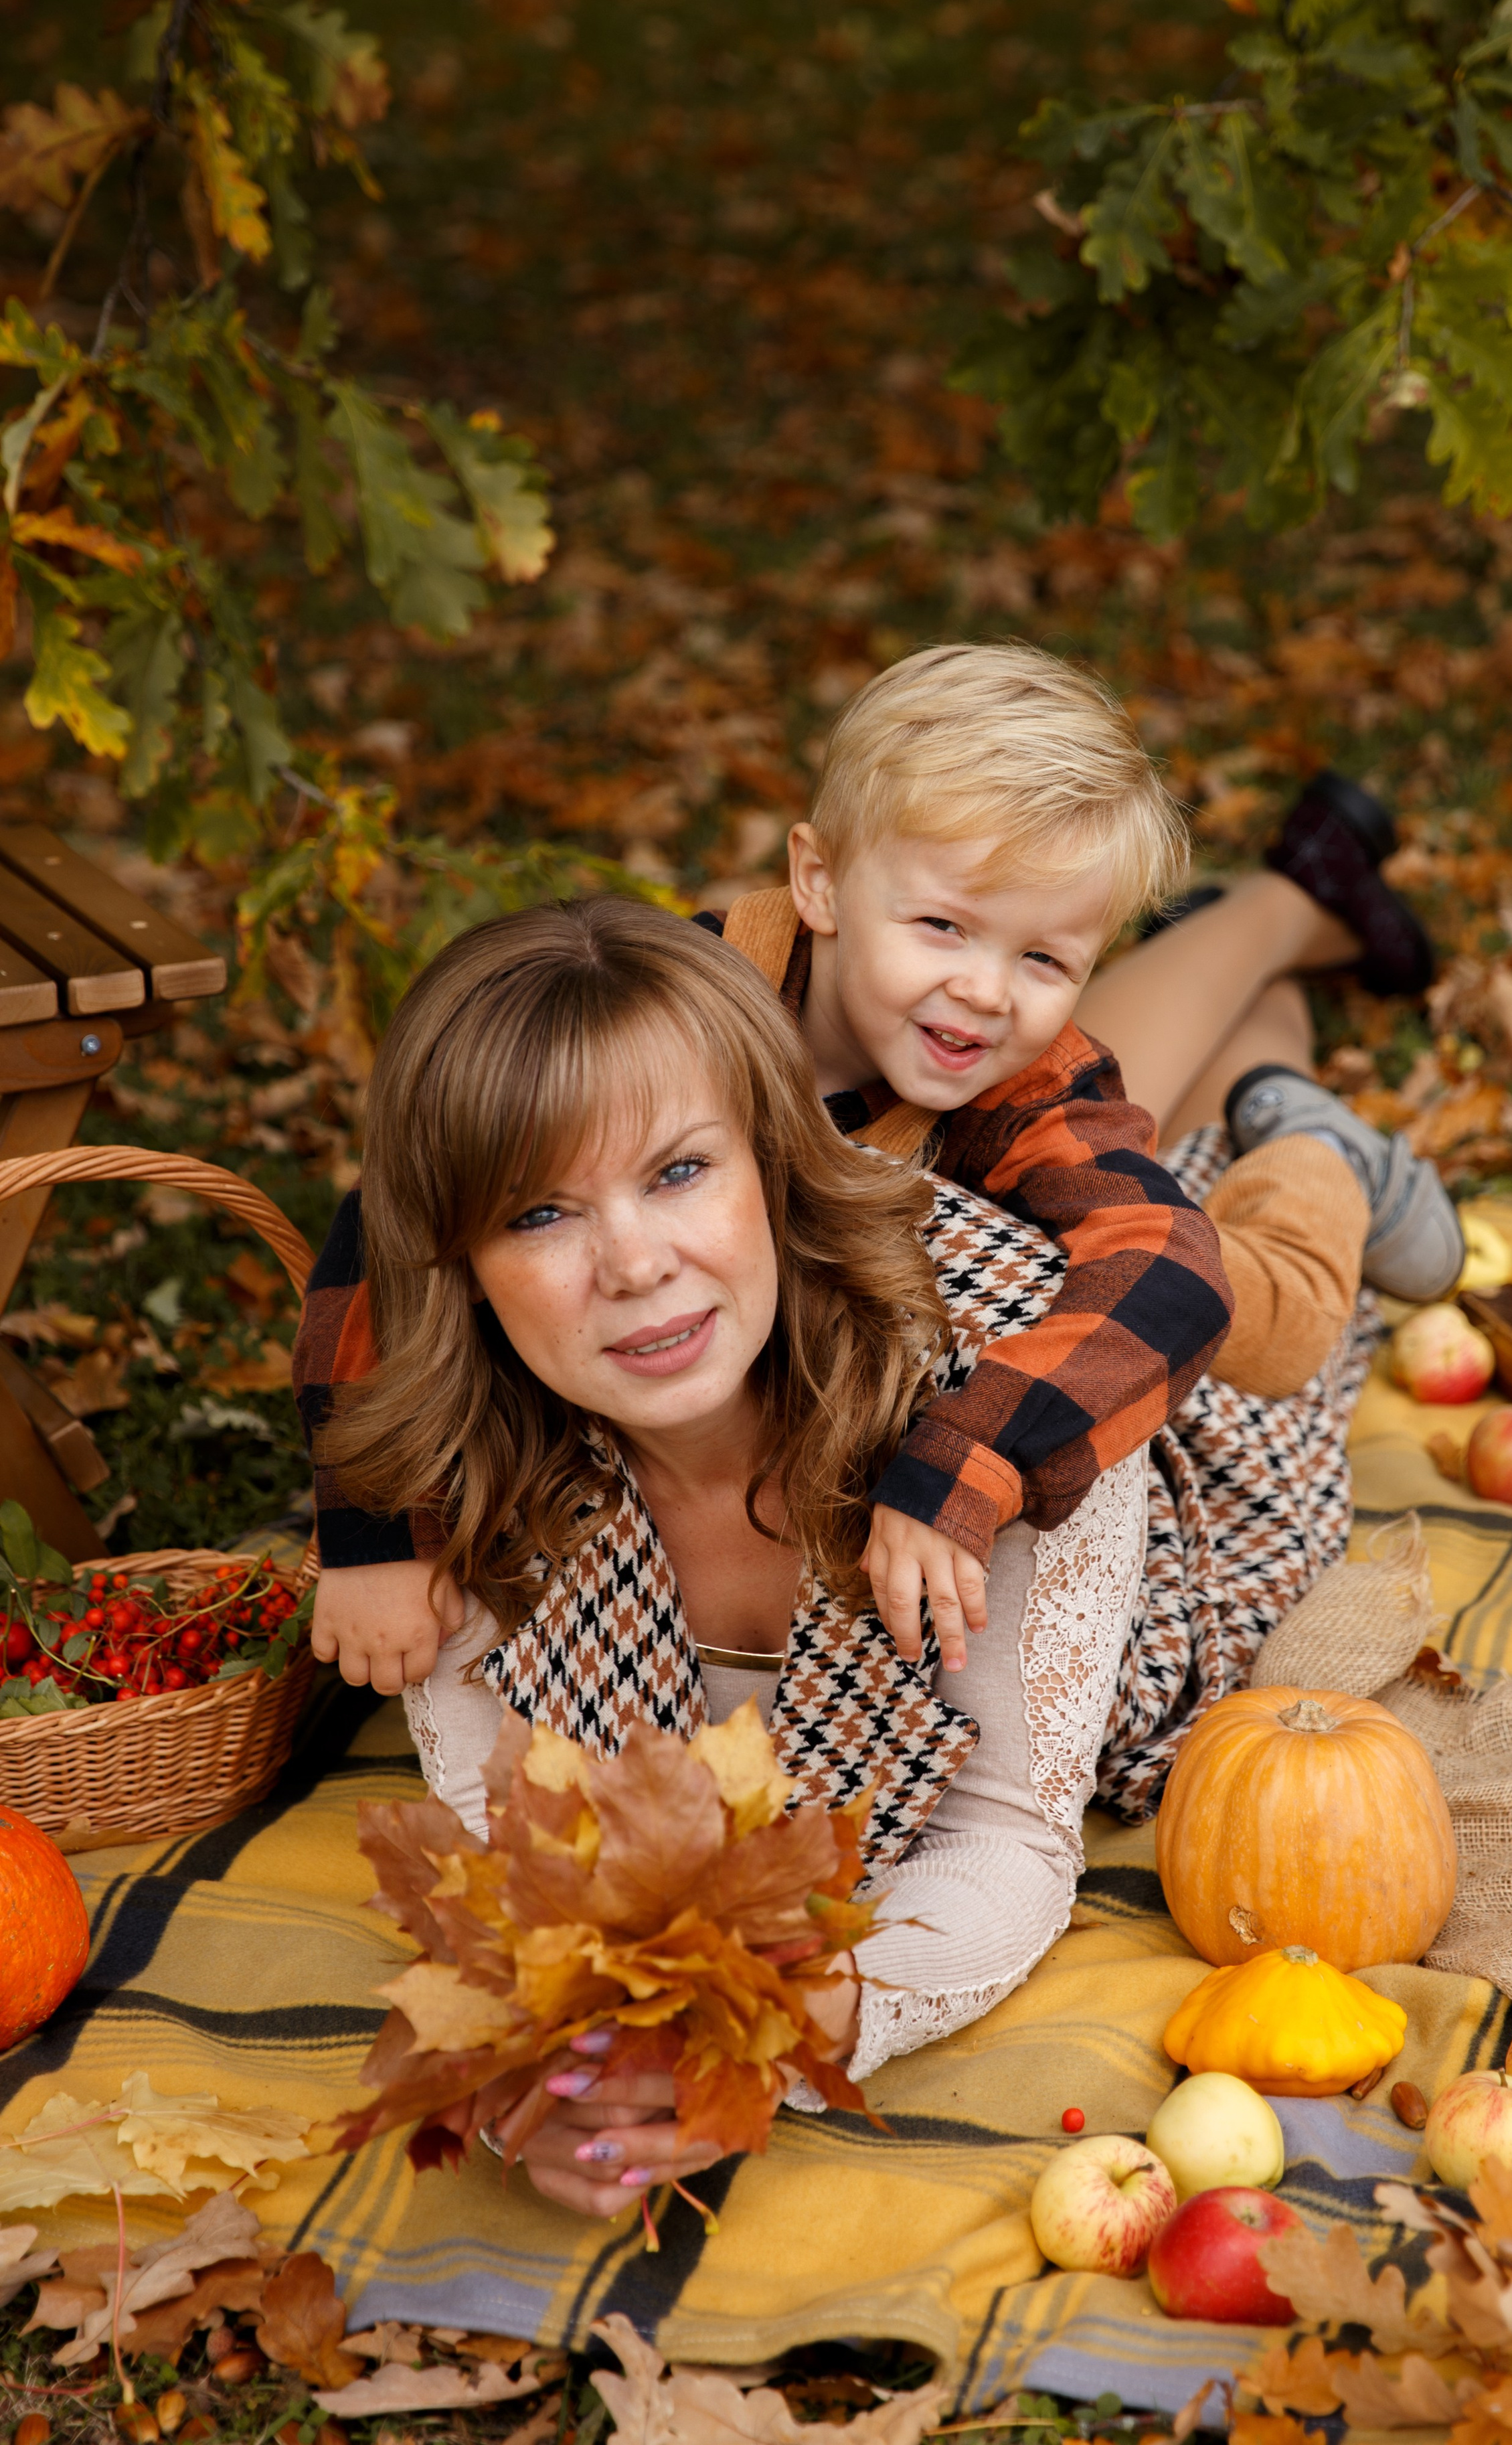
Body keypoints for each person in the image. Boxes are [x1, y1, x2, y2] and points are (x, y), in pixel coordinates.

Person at [309, 899, 1369, 2221]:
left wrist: (788, 2024)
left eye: (680, 1171)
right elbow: (509, 1841)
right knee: (1147, 1101)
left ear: (773, 1155)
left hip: (1168, 1486)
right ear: (456, 1263)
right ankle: (1262, 969)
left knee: (1259, 1200)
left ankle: (1292, 1015)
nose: (636, 1265)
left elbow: (1006, 1831)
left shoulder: (1007, 1379)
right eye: (538, 1213)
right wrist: (570, 2055)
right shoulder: (440, 1480)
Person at [295, 643, 1456, 1701]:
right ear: (819, 882)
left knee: (1281, 1323)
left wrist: (974, 1453)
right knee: (1049, 1053)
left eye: (1047, 954)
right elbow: (404, 1206)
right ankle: (1297, 917)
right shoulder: (673, 1010)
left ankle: (1314, 1141)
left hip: (1072, 1276)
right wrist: (371, 1531)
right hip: (907, 1195)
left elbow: (1174, 1274)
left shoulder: (1019, 1066)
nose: (988, 988)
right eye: (944, 925)